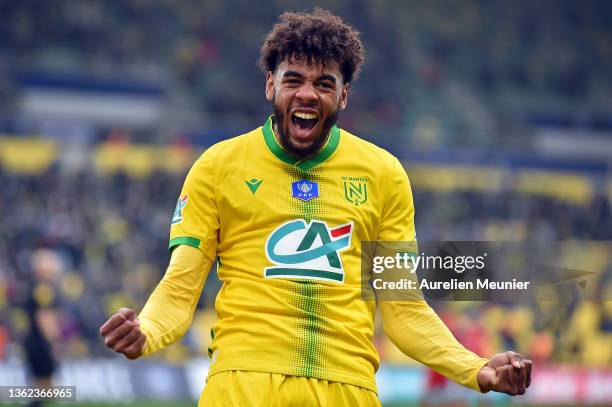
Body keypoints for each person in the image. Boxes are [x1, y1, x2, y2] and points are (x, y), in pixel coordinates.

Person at [100, 9, 532, 406]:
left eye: (324, 83)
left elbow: (404, 311)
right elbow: (180, 288)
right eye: (293, 80)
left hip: (348, 388)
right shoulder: (218, 166)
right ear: (271, 85)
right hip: (243, 384)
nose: (307, 94)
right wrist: (148, 332)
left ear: (343, 97)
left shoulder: (384, 175)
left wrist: (474, 367)